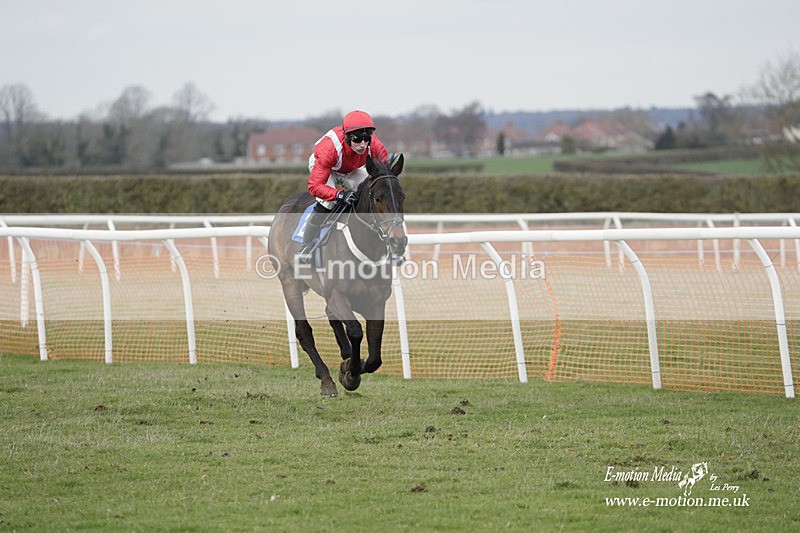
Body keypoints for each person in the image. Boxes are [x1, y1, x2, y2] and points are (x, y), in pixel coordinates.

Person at [297, 110, 389, 260]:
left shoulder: (376, 147)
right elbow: (314, 186)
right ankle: (305, 247)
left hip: (353, 168)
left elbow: (384, 178)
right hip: (328, 168)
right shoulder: (330, 149)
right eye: (358, 139)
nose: (363, 145)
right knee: (328, 203)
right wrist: (339, 194)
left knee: (369, 194)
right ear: (346, 137)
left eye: (366, 139)